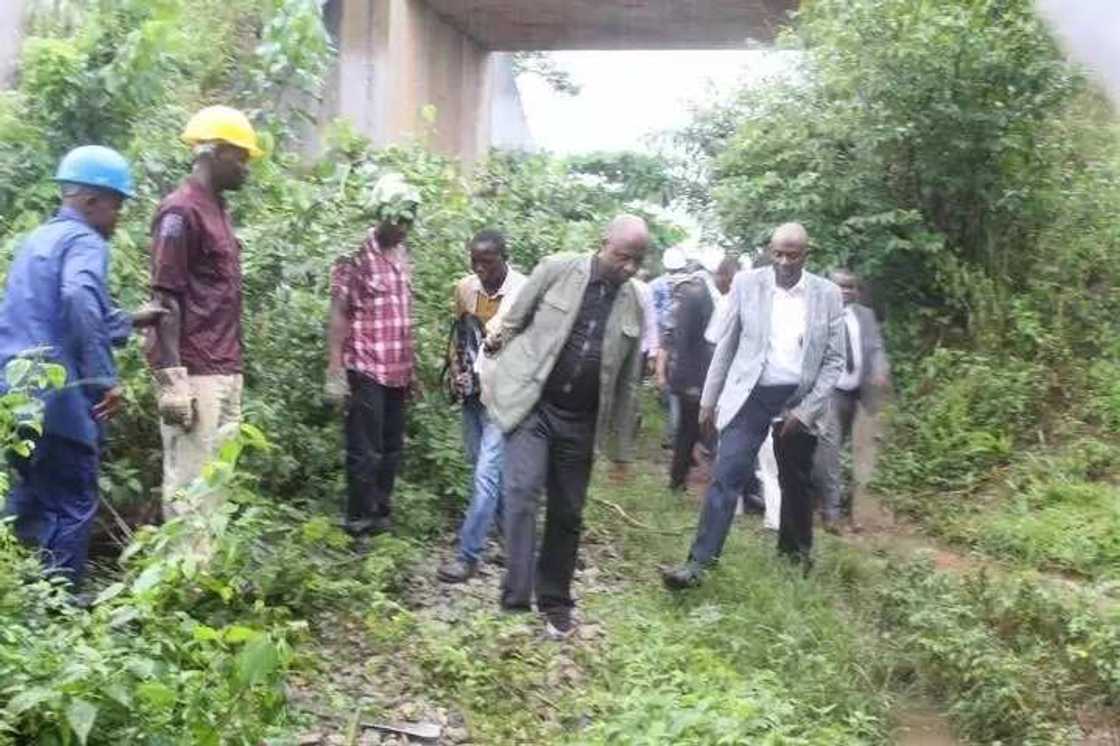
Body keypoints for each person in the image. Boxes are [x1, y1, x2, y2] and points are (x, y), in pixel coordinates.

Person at [0, 146, 163, 587]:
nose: (119, 218)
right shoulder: (85, 241)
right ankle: (62, 609)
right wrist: (104, 379)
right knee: (72, 501)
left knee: (29, 498)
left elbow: (52, 313)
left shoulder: (39, 240)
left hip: (15, 394)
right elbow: (77, 299)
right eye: (118, 206)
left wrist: (131, 319)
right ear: (93, 202)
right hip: (60, 398)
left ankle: (22, 600)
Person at [486, 214, 649, 639]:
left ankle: (555, 600)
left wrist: (621, 452)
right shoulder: (558, 268)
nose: (628, 267)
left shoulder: (634, 302)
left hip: (582, 421)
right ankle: (515, 596)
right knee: (521, 492)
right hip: (535, 405)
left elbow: (628, 382)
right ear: (603, 243)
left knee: (568, 511)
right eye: (622, 257)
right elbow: (513, 320)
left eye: (637, 261)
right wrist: (496, 357)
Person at [661, 223, 844, 587]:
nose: (784, 261)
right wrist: (709, 401)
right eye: (778, 253)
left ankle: (795, 558)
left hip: (799, 398)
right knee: (726, 474)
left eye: (793, 255)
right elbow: (727, 345)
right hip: (751, 394)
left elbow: (834, 360)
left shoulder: (827, 294)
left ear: (807, 255)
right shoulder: (747, 284)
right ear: (770, 251)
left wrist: (806, 409)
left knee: (796, 480)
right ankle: (697, 565)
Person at [147, 106, 262, 518]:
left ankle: (206, 577)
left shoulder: (218, 209)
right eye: (241, 156)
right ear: (214, 153)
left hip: (226, 366)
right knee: (191, 487)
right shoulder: (181, 211)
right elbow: (166, 298)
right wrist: (173, 378)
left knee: (217, 485)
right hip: (196, 371)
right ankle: (184, 580)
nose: (247, 167)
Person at [326, 173, 421, 538]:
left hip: (398, 369)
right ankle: (359, 524)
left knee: (392, 448)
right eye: (397, 221)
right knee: (364, 451)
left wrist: (413, 371)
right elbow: (338, 311)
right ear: (381, 215)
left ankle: (380, 515)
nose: (403, 229)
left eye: (408, 222)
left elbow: (402, 313)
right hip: (365, 366)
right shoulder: (354, 254)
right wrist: (335, 369)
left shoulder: (401, 253)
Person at [438, 230, 527, 583]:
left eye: (487, 262)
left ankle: (468, 555)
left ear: (504, 257)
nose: (479, 269)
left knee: (486, 476)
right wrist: (457, 372)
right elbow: (459, 338)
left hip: (505, 396)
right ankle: (514, 543)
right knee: (484, 469)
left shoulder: (524, 291)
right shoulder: (465, 288)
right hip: (473, 394)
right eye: (474, 261)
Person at [814, 269, 890, 534]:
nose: (846, 292)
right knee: (830, 450)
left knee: (858, 451)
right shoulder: (816, 315)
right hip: (830, 393)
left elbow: (877, 347)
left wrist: (880, 370)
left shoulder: (865, 316)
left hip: (860, 393)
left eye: (851, 287)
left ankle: (856, 510)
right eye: (841, 287)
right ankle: (831, 513)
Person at [659, 249, 737, 491]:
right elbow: (683, 343)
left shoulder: (727, 299)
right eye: (732, 279)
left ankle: (717, 481)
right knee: (687, 429)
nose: (734, 284)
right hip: (692, 376)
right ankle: (677, 480)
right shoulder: (695, 295)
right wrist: (689, 382)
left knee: (710, 428)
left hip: (716, 375)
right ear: (721, 275)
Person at [650, 246, 687, 448]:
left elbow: (652, 316)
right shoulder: (692, 284)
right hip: (674, 342)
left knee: (668, 388)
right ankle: (675, 431)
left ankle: (673, 432)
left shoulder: (655, 285)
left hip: (663, 340)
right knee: (672, 390)